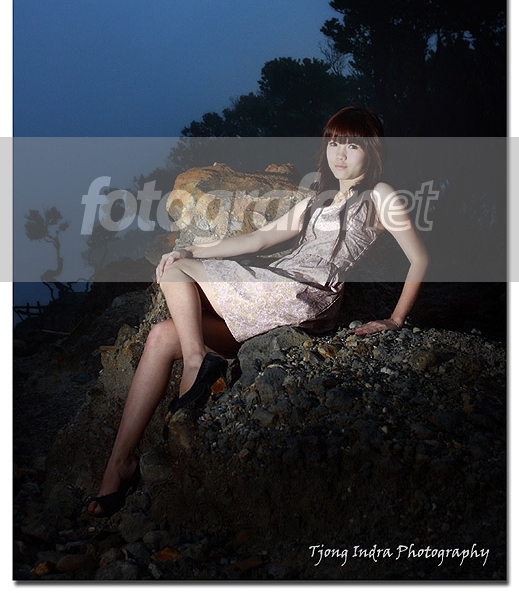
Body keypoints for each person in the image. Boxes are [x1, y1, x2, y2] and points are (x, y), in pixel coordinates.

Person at [87, 106, 429, 517]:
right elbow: (260, 239)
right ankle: (119, 465)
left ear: (371, 152)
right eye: (335, 143)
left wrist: (394, 319)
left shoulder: (380, 195)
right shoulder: (316, 200)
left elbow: (420, 258)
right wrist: (191, 249)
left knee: (176, 273)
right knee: (162, 335)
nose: (340, 153)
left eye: (353, 145)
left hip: (303, 295)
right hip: (274, 292)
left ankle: (197, 362)